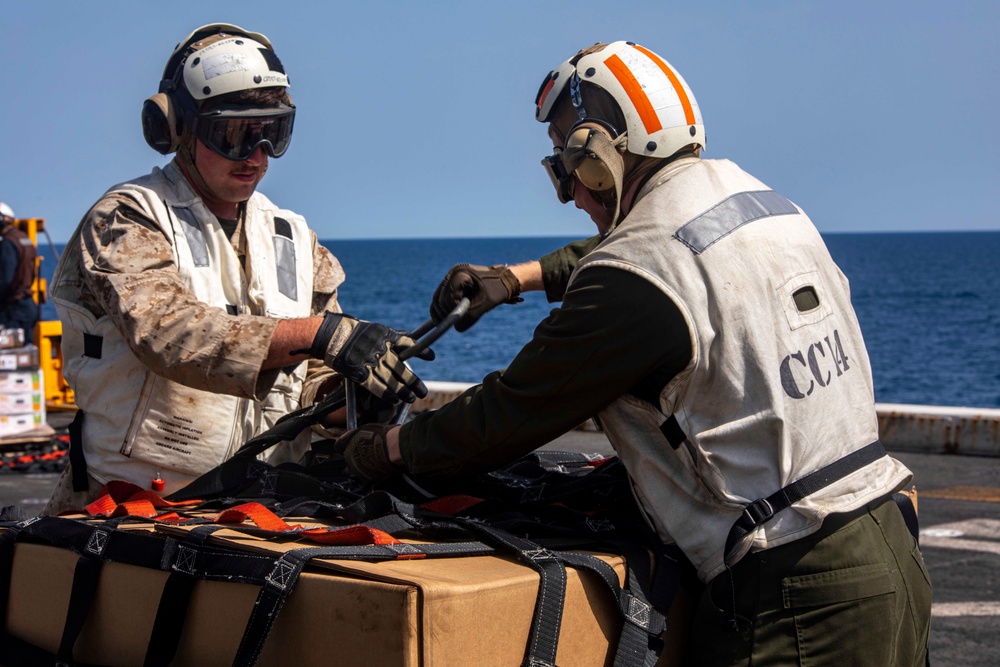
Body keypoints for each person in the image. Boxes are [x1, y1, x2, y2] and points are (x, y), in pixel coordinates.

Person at [336, 41, 931, 665]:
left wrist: (388, 449)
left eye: (567, 169)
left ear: (597, 157)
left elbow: (510, 413)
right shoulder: (757, 201)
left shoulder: (637, 271)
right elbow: (648, 257)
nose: (570, 196)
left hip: (795, 594)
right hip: (888, 543)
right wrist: (514, 278)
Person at [43, 23, 428, 515]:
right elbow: (170, 333)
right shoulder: (128, 217)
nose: (257, 158)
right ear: (179, 129)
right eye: (236, 135)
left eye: (273, 134)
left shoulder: (292, 237)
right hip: (125, 509)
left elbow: (308, 374)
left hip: (253, 512)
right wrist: (320, 333)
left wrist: (344, 397)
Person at [0, 201, 39, 344]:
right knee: (26, 353)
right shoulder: (23, 238)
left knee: (12, 357)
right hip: (28, 305)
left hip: (13, 310)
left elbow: (5, 279)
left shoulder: (8, 243)